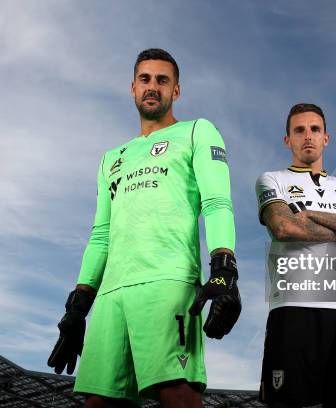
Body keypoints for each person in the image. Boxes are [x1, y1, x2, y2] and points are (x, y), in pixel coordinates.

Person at [48, 48, 241, 408]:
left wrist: (224, 268)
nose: (152, 87)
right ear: (133, 88)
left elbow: (217, 202)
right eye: (145, 79)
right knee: (99, 403)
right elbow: (101, 234)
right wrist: (77, 306)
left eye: (162, 80)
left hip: (167, 284)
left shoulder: (198, 131)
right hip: (110, 297)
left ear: (176, 91)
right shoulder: (111, 158)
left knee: (178, 395)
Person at [255, 103, 336, 408]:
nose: (308, 136)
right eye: (299, 130)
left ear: (326, 138)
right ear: (287, 140)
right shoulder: (272, 180)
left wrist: (309, 214)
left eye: (315, 129)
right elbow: (284, 227)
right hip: (296, 307)